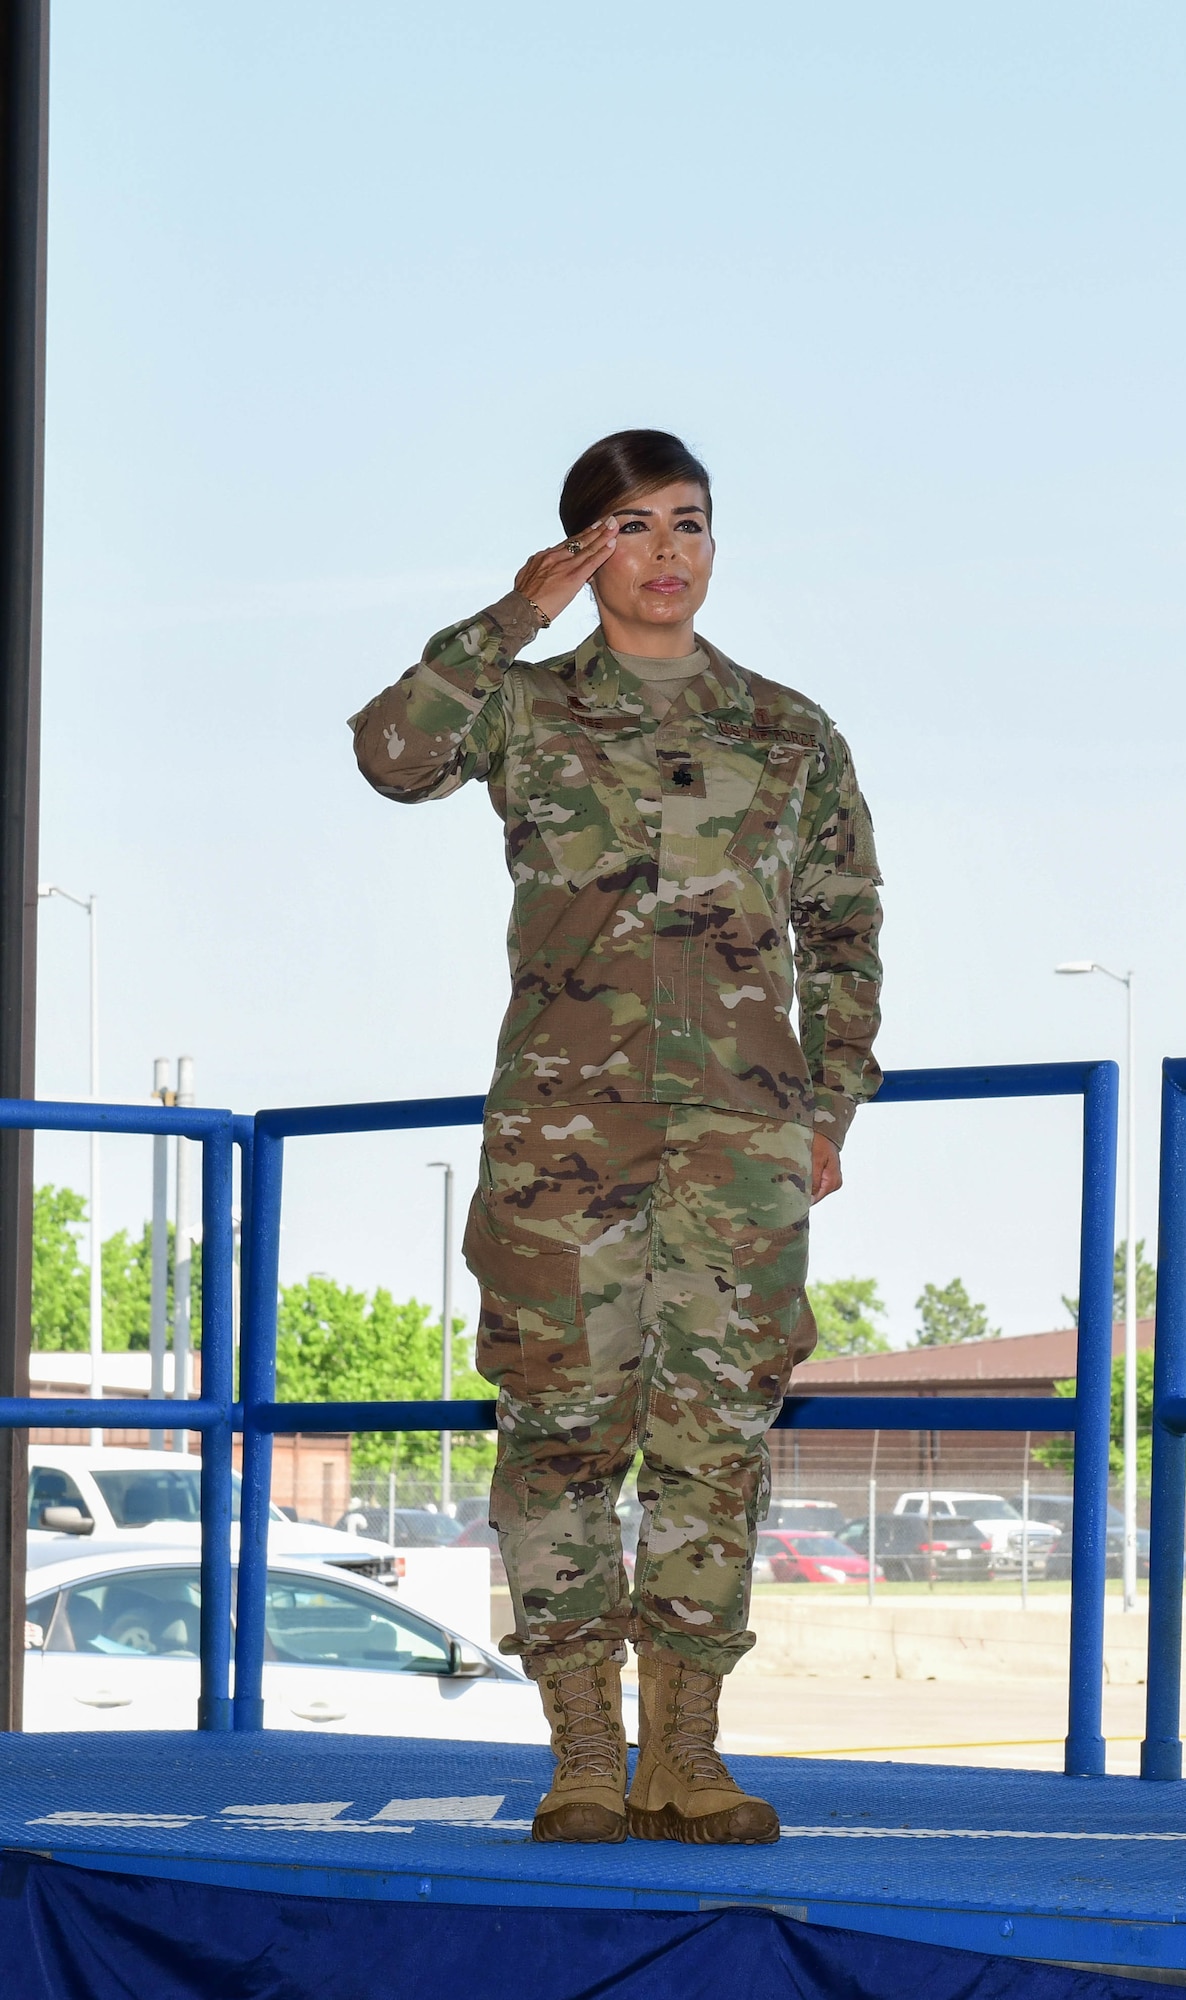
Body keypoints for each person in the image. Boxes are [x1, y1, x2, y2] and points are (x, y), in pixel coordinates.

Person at [351, 430, 883, 1845]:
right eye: (634, 528)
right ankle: (584, 1747)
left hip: (741, 1147)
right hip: (564, 1142)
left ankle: (686, 1755)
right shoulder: (523, 709)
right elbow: (393, 756)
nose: (668, 554)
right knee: (563, 1433)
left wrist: (827, 1105)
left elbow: (842, 932)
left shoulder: (790, 732)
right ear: (588, 550)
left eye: (691, 524)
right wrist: (513, 614)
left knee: (717, 1441)